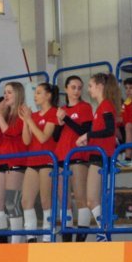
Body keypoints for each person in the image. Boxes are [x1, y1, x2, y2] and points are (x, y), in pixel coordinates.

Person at [75, 73, 121, 238]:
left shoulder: (106, 105)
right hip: (97, 155)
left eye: (90, 86)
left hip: (102, 157)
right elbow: (105, 132)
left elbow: (109, 130)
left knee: (92, 199)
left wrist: (88, 135)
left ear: (100, 86)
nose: (88, 89)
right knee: (92, 200)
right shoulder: (102, 106)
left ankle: (104, 231)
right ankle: (103, 231)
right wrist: (89, 139)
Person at [55, 75, 93, 240]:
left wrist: (66, 119)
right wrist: (59, 123)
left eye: (79, 88)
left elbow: (84, 131)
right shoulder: (61, 110)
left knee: (80, 198)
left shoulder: (85, 107)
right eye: (73, 87)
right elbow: (56, 137)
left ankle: (80, 240)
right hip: (61, 157)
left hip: (78, 156)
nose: (77, 91)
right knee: (64, 201)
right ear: (66, 89)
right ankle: (66, 238)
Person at [0, 82, 27, 243]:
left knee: (11, 203)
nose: (6, 96)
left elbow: (10, 132)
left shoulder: (23, 112)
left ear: (18, 93)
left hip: (16, 161)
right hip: (0, 161)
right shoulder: (3, 114)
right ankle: (2, 240)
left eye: (10, 92)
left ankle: (17, 242)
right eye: (5, 92)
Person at [20, 82, 58, 242]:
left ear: (48, 95)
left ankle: (48, 237)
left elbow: (43, 138)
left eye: (39, 92)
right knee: (26, 201)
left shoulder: (53, 113)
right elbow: (26, 140)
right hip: (32, 160)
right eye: (35, 93)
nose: (35, 96)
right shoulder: (33, 116)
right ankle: (31, 237)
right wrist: (25, 121)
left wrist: (29, 121)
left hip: (47, 160)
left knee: (45, 200)